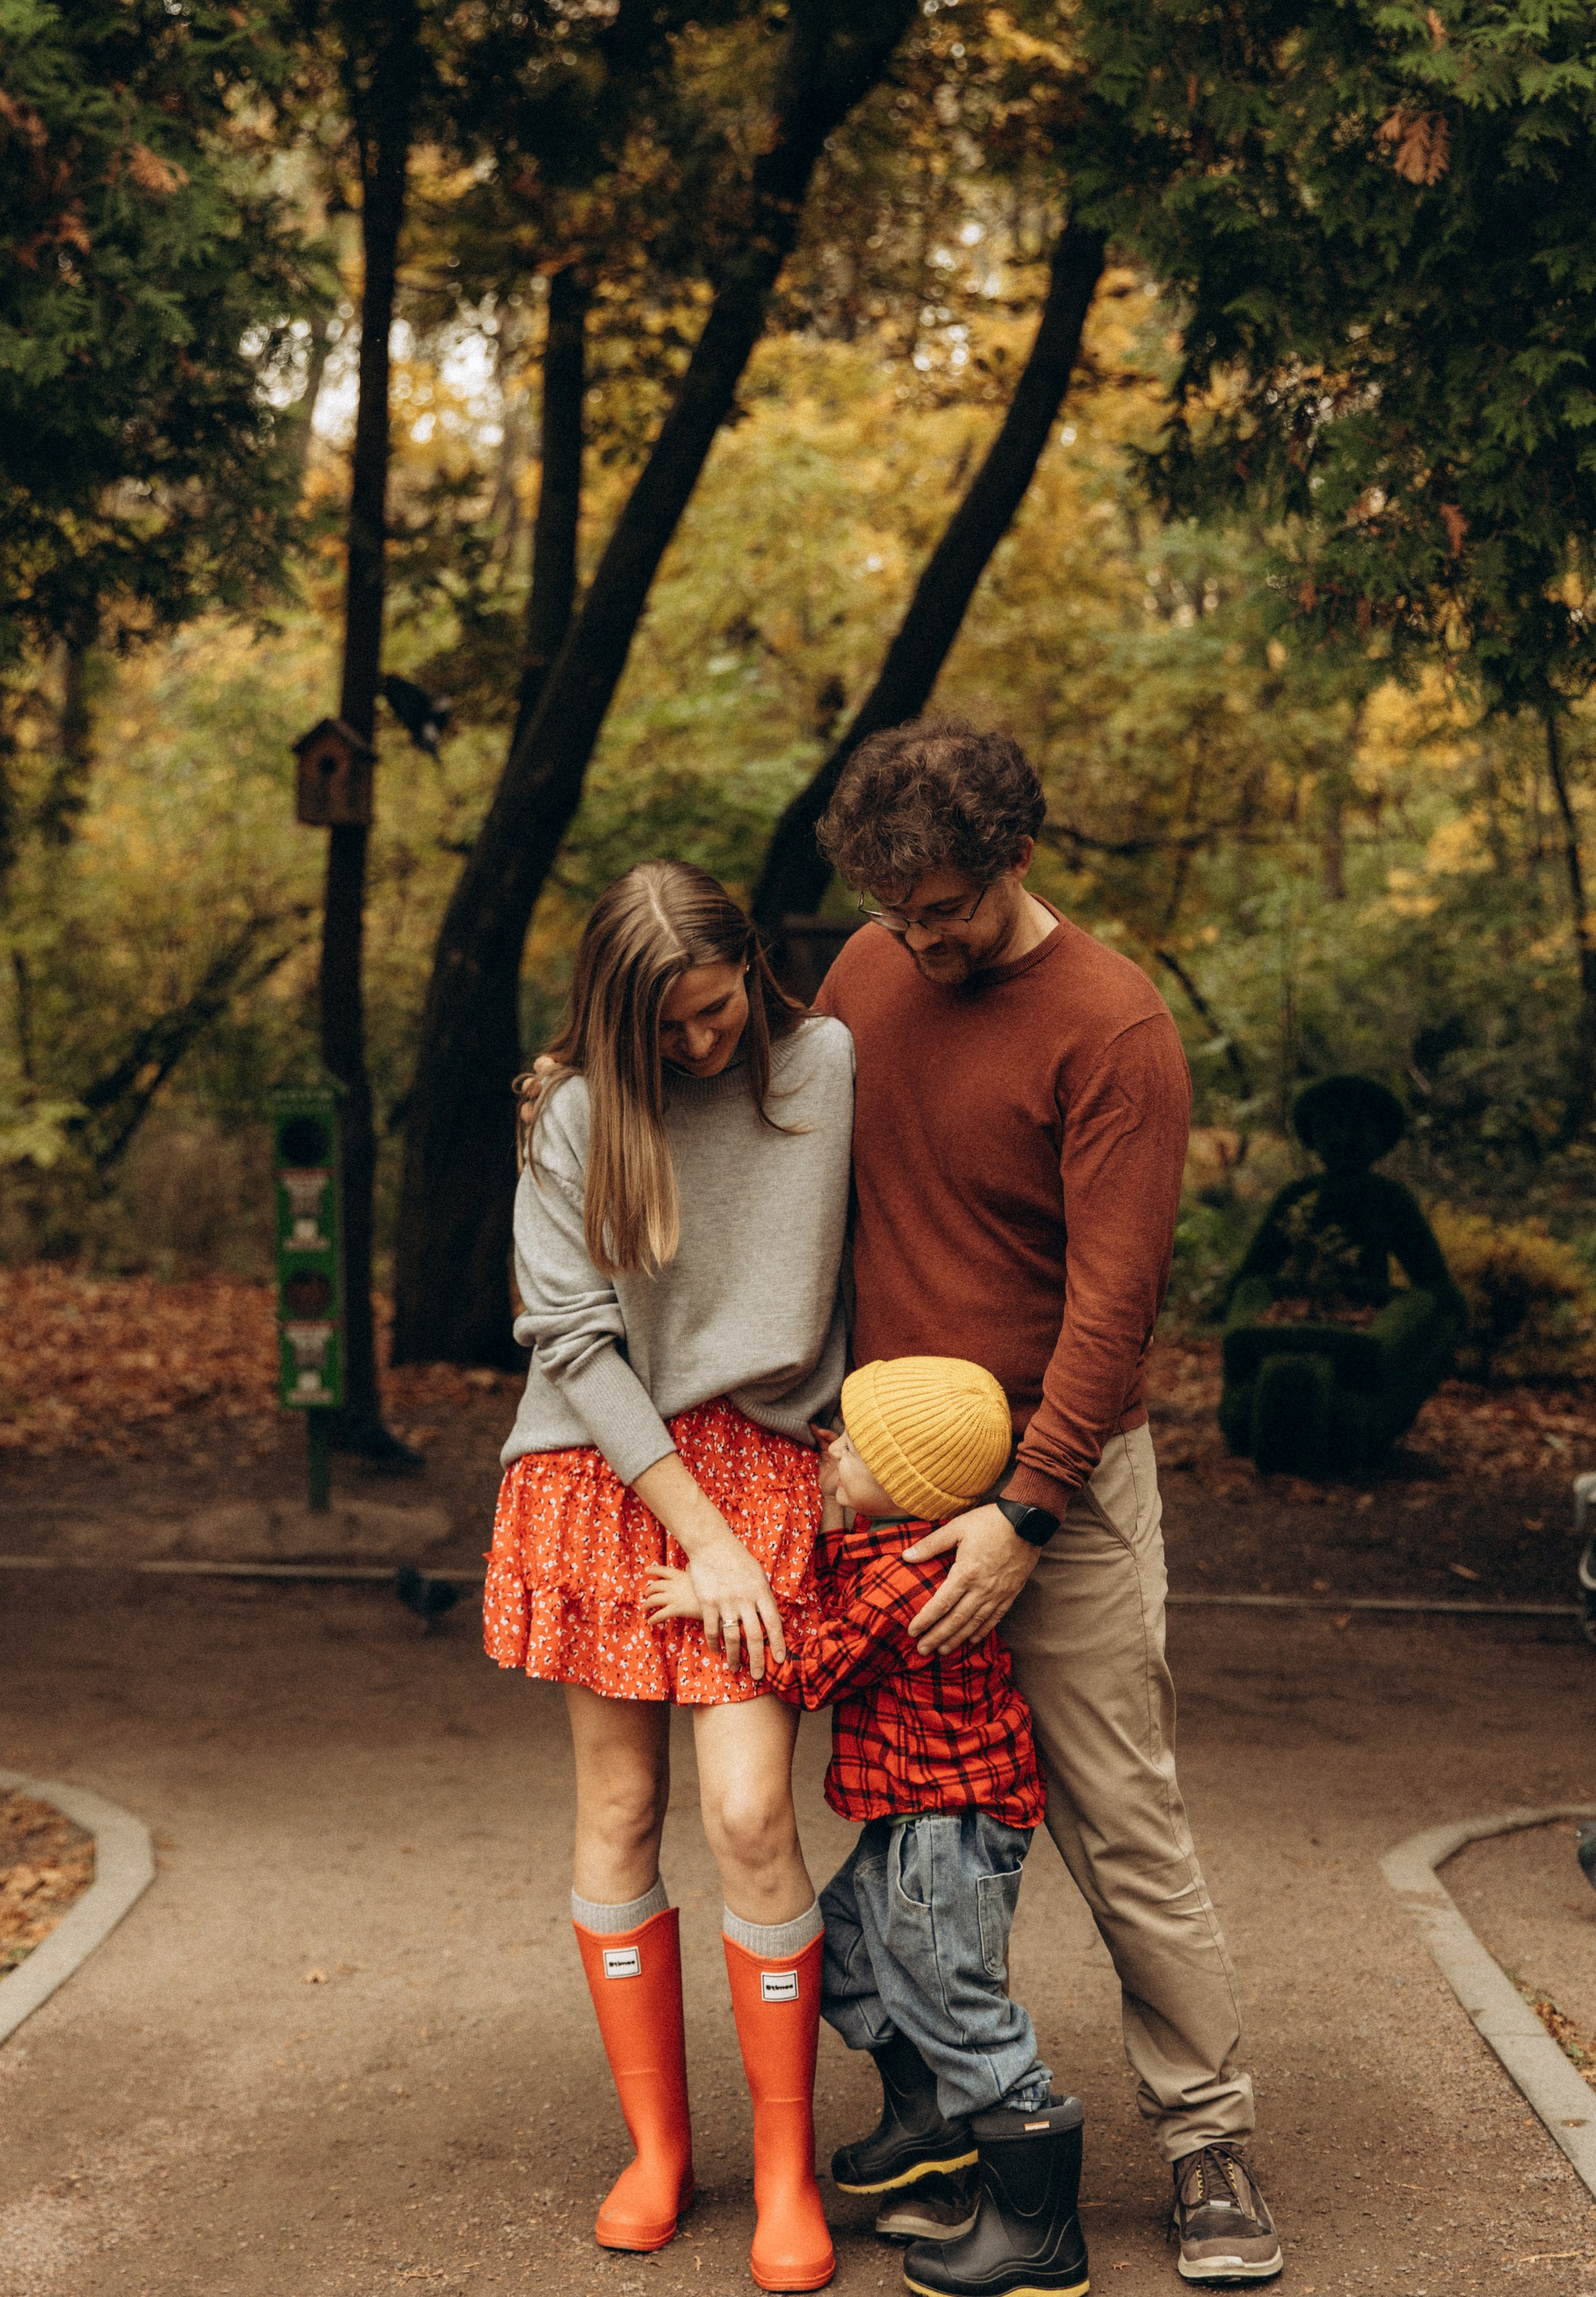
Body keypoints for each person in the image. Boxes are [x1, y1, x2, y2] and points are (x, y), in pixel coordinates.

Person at [811, 718, 1282, 2288]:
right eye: (893, 909)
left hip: (1056, 1483)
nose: (918, 938)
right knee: (905, 1815)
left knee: (1113, 1811)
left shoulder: (1110, 1029)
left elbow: (1110, 1306)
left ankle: (1206, 2138)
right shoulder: (865, 976)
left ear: (1013, 856)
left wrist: (1022, 1515)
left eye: (942, 906)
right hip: (887, 1476)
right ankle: (948, 2112)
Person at [483, 859, 851, 2293]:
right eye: (668, 1032)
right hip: (603, 1456)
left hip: (764, 1460)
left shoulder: (825, 1065)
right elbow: (570, 1341)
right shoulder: (577, 1111)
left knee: (751, 1807)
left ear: (750, 970)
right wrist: (691, 1528)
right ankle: (655, 2150)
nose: (697, 1049)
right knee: (621, 1805)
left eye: (711, 1015)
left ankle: (780, 2169)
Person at [647, 1354, 1090, 2297]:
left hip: (950, 1827)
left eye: (855, 1444)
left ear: (912, 1490)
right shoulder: (894, 1547)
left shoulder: (908, 1578)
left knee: (958, 2001)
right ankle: (928, 2127)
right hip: (912, 1817)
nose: (829, 1445)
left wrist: (710, 1602)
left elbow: (811, 1667)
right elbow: (848, 1578)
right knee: (845, 1945)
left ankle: (1036, 2233)